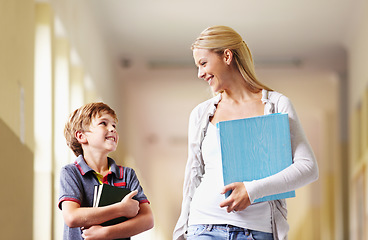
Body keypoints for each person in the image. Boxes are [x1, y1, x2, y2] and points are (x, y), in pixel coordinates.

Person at [173, 26, 319, 240]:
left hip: (257, 230)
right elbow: (193, 175)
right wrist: (181, 232)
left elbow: (308, 168)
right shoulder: (202, 114)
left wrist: (252, 191)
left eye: (203, 63)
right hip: (203, 227)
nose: (200, 73)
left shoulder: (276, 104)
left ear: (227, 56)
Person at [59, 102, 154, 240]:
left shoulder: (127, 175)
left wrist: (105, 233)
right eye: (103, 123)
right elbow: (72, 217)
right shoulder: (71, 173)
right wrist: (120, 209)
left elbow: (147, 219)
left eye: (114, 125)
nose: (112, 129)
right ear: (81, 136)